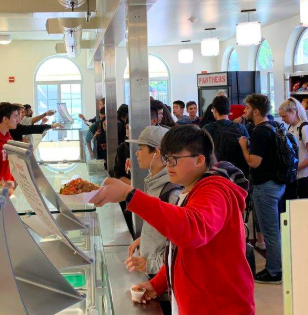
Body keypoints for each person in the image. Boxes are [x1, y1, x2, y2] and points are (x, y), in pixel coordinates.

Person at [90, 125, 255, 315]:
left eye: (174, 159)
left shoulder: (214, 191)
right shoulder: (190, 190)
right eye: (167, 158)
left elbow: (192, 230)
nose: (168, 165)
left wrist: (130, 195)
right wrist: (157, 284)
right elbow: (181, 251)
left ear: (200, 160)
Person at [238, 94, 284, 284]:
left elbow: (254, 162)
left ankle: (274, 271)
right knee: (273, 230)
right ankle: (276, 267)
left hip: (265, 186)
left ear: (256, 111)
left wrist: (243, 146)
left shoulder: (259, 132)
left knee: (270, 231)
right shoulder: (274, 126)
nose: (244, 111)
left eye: (247, 108)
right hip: (277, 183)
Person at [125, 126, 182, 278]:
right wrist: (145, 238)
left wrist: (151, 265)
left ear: (156, 152)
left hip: (161, 280)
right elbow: (160, 228)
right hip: (150, 272)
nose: (136, 153)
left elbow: (179, 247)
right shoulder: (153, 182)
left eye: (141, 148)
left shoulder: (172, 192)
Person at [279, 98, 308, 199]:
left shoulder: (305, 128)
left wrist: (294, 169)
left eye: (284, 116)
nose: (282, 119)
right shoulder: (290, 128)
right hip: (294, 177)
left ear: (293, 112)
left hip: (306, 177)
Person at [204, 96, 250, 175]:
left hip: (216, 170)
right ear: (229, 110)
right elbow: (248, 147)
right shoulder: (240, 127)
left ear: (214, 110)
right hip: (238, 171)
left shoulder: (208, 128)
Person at [0, 102, 20, 184]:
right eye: (15, 117)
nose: (18, 120)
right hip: (0, 188)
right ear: (5, 119)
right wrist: (6, 188)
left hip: (8, 183)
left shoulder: (8, 136)